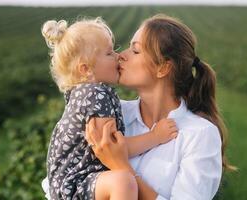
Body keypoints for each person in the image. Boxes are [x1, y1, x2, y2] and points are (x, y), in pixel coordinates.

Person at [85, 14, 236, 200]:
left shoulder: (199, 135)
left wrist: (120, 165)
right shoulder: (111, 115)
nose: (121, 56)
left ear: (163, 68)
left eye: (136, 51)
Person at [41, 17, 178, 200]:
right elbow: (113, 148)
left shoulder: (86, 94)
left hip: (73, 184)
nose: (118, 56)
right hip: (76, 184)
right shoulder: (95, 95)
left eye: (135, 51)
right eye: (109, 53)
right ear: (86, 69)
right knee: (124, 182)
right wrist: (155, 137)